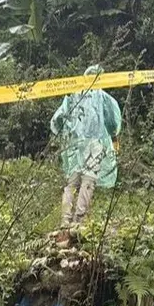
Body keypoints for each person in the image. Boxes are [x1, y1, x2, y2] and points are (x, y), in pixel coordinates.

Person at [50, 64, 122, 245]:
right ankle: (79, 221)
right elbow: (113, 122)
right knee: (88, 181)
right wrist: (113, 136)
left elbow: (58, 118)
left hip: (74, 145)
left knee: (71, 182)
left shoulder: (73, 94)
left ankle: (65, 221)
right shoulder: (103, 97)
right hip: (95, 144)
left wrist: (66, 134)